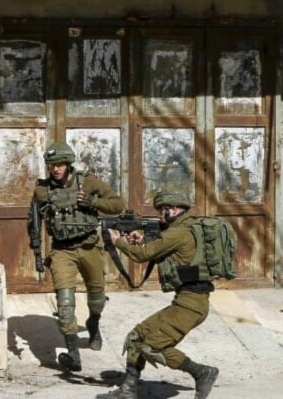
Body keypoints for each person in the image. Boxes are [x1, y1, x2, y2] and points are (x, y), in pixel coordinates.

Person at [98, 192, 218, 399]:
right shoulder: (186, 229)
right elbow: (166, 248)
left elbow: (143, 255)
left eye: (161, 211)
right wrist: (144, 237)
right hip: (186, 300)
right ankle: (128, 390)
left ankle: (202, 372)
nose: (159, 216)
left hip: (191, 304)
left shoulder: (177, 233)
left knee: (151, 347)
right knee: (137, 337)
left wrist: (118, 242)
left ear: (173, 209)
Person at [27, 141, 125, 371]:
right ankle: (72, 353)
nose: (56, 169)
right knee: (65, 301)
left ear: (68, 164)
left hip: (90, 245)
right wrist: (37, 253)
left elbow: (118, 204)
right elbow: (33, 222)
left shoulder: (87, 182)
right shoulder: (42, 190)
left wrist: (94, 202)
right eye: (52, 165)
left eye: (60, 164)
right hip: (62, 249)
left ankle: (93, 322)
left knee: (97, 297)